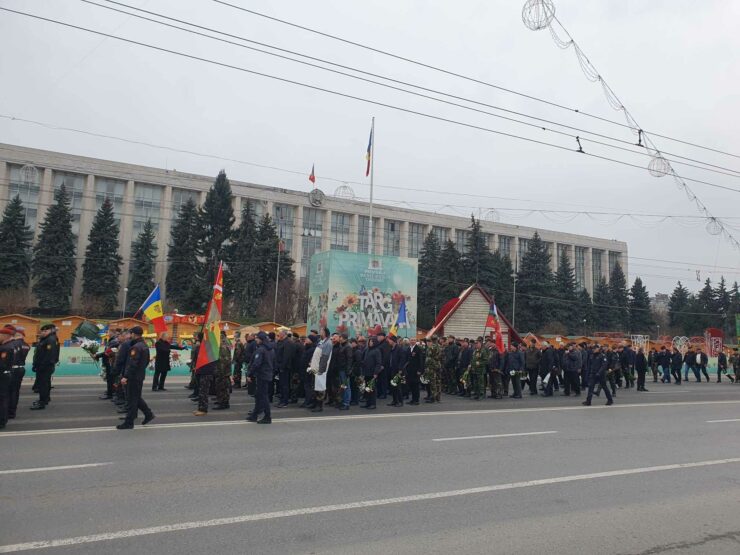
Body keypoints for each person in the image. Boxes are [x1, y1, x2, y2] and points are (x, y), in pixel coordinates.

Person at [117, 327, 155, 429]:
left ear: (134, 334)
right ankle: (148, 414)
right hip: (139, 375)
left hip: (133, 377)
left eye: (131, 333)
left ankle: (129, 422)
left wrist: (126, 376)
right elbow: (146, 361)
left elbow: (132, 364)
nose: (130, 335)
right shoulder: (144, 345)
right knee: (136, 397)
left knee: (131, 400)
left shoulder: (136, 347)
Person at [246, 331, 275, 424]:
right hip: (267, 374)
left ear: (261, 339)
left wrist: (250, 374)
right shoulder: (271, 349)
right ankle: (255, 415)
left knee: (263, 396)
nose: (256, 340)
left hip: (262, 375)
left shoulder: (261, 350)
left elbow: (256, 364)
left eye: (257, 338)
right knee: (259, 395)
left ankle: (267, 416)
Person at [30, 324, 59, 410]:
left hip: (45, 366)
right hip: (42, 365)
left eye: (45, 331)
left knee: (43, 384)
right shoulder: (46, 339)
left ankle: (42, 402)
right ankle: (45, 399)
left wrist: (42, 365)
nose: (43, 332)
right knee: (45, 384)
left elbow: (50, 355)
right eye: (42, 331)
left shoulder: (50, 340)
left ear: (50, 331)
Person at [8, 328, 30, 420]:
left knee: (9, 391)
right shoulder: (26, 345)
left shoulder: (13, 344)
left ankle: (9, 411)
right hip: (20, 368)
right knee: (15, 391)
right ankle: (12, 411)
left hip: (12, 369)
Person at [0, 325, 17, 429]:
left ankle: (2, 420)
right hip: (5, 374)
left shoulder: (6, 348)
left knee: (2, 398)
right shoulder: (6, 346)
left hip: (3, 375)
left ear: (5, 335)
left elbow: (2, 364)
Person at [361, 336, 382, 409]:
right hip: (366, 372)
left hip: (372, 372)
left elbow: (378, 363)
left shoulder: (377, 350)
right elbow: (364, 359)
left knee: (372, 389)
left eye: (372, 341)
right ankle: (368, 403)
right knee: (367, 388)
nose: (370, 342)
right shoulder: (367, 349)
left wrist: (376, 372)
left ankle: (373, 404)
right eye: (369, 341)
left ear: (375, 342)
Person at [214, 331, 232, 410]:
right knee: (223, 387)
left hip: (223, 371)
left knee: (222, 387)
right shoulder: (225, 343)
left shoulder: (222, 345)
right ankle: (222, 401)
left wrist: (221, 372)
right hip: (223, 370)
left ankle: (223, 403)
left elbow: (224, 360)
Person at [406, 337, 424, 405]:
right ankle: (413, 399)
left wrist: (420, 370)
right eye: (411, 340)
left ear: (416, 341)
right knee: (411, 385)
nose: (412, 341)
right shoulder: (409, 348)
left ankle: (416, 400)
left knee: (416, 386)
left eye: (414, 340)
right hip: (410, 370)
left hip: (416, 370)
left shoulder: (418, 349)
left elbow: (421, 360)